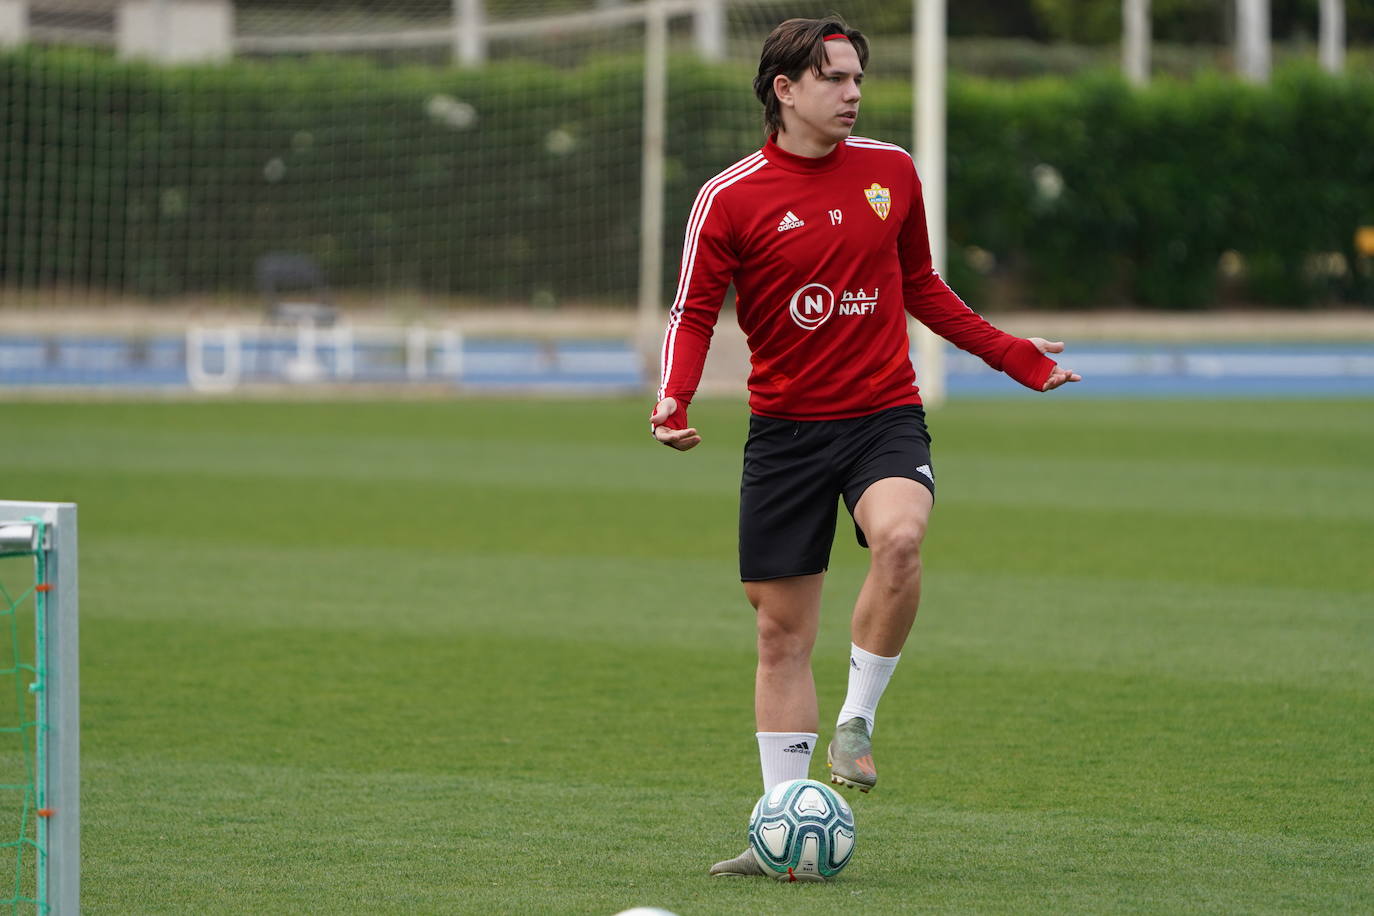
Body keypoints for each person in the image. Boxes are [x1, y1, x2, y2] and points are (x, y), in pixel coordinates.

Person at [648, 16, 1081, 877]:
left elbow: (923, 285)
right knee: (780, 635)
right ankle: (781, 830)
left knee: (902, 538)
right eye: (835, 79)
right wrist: (674, 398)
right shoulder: (730, 197)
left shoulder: (891, 173)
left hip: (883, 415)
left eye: (857, 79)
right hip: (783, 435)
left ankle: (857, 721)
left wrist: (1015, 358)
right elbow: (694, 309)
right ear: (785, 89)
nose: (853, 94)